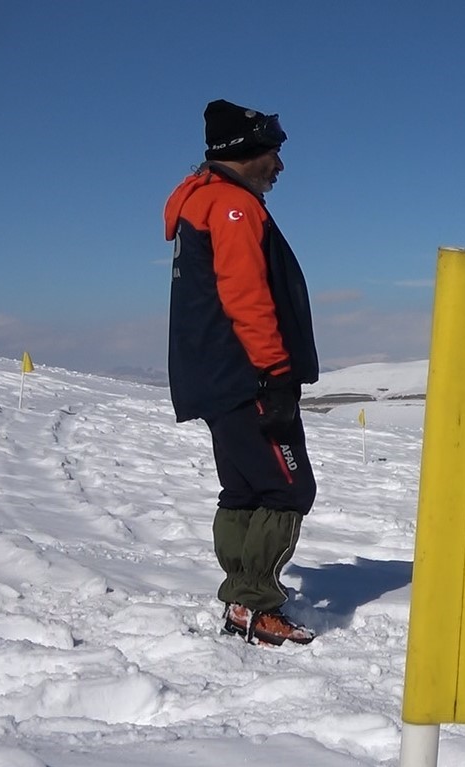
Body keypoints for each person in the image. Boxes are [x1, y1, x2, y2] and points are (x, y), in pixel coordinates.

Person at [165, 99, 318, 646]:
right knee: (288, 489)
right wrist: (276, 376)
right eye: (273, 152)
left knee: (245, 488)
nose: (279, 164)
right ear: (245, 153)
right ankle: (256, 606)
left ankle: (240, 602)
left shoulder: (201, 202)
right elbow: (246, 297)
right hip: (247, 376)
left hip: (213, 378)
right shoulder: (233, 207)